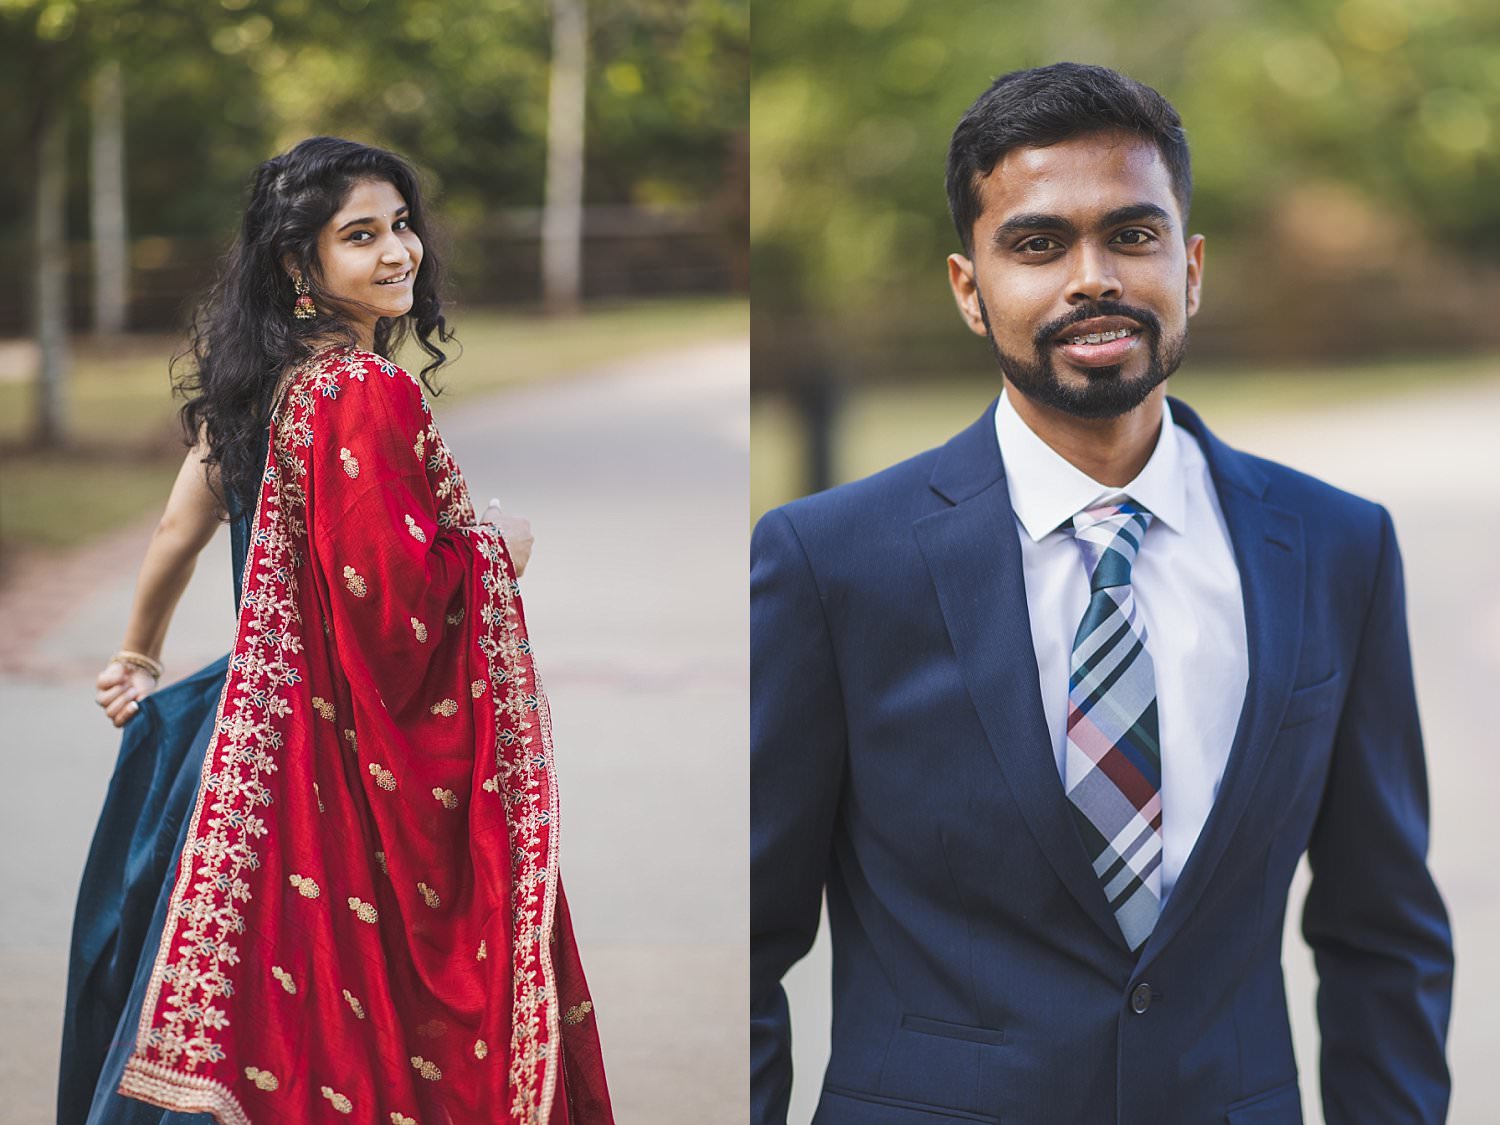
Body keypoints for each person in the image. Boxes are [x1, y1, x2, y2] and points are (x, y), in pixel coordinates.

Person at [751, 63, 1453, 1125]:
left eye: (1133, 235)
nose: (1095, 277)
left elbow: (1383, 932)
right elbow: (752, 940)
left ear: (1192, 265)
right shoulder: (830, 561)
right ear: (968, 287)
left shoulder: (1336, 547)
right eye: (1038, 245)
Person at [62, 136, 613, 1124]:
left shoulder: (255, 382)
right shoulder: (362, 390)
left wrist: (134, 656)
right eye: (361, 235)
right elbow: (391, 610)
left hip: (236, 734)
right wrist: (496, 547)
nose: (398, 250)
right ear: (296, 263)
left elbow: (177, 531)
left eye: (401, 225)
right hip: (327, 765)